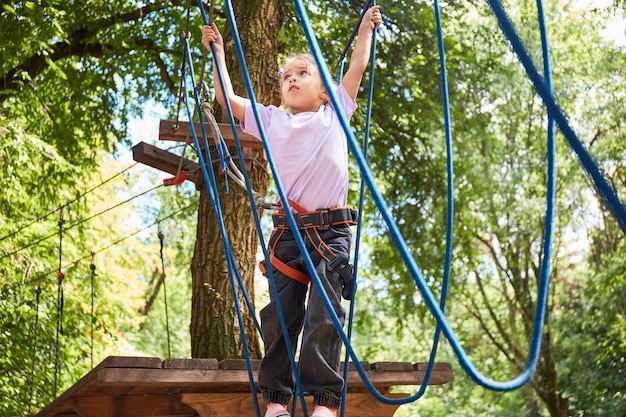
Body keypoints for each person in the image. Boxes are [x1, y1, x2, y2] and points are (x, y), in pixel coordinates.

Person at [202, 6, 382, 417]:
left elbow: (358, 63)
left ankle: (324, 401)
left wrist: (365, 28)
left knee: (324, 313)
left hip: (330, 233)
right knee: (280, 318)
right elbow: (227, 100)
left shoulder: (334, 110)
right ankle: (277, 400)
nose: (292, 79)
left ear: (324, 90)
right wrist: (219, 56)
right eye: (286, 77)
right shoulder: (270, 120)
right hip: (288, 233)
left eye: (303, 73)